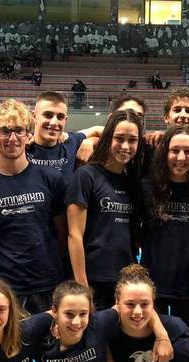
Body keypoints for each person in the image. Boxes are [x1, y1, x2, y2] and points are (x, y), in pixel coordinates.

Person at [0, 99, 68, 314]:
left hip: (49, 285)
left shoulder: (51, 179)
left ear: (28, 135)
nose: (12, 138)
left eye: (19, 131)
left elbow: (62, 233)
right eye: (5, 131)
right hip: (7, 289)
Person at [140, 126, 189, 325]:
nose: (181, 157)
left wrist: (187, 239)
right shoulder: (147, 188)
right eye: (174, 151)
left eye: (187, 151)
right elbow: (136, 232)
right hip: (152, 281)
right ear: (164, 152)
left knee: (184, 344)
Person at [66, 110, 144, 309]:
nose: (126, 146)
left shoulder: (133, 182)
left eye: (132, 140)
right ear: (108, 137)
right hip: (93, 281)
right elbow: (74, 235)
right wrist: (82, 288)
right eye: (119, 138)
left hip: (126, 283)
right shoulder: (86, 176)